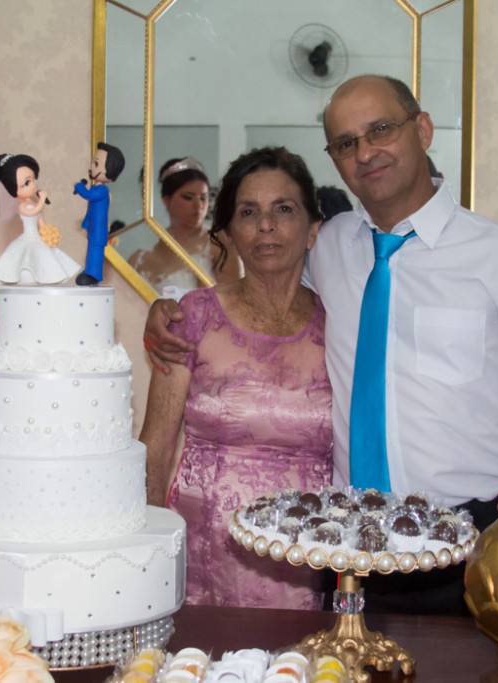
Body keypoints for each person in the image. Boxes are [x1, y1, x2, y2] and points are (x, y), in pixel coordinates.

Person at [145, 75, 498, 615]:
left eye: (381, 130)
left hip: (471, 538)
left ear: (422, 129)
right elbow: (261, 291)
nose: (365, 152)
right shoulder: (332, 247)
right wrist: (165, 309)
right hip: (349, 545)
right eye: (345, 143)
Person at [140, 146, 333, 609]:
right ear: (228, 232)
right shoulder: (193, 317)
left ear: (312, 230)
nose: (266, 225)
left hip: (308, 560)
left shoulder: (341, 325)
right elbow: (156, 448)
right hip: (203, 558)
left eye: (283, 209)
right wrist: (145, 560)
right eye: (248, 212)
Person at [128, 157, 240, 296]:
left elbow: (236, 299)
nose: (198, 205)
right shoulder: (142, 255)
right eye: (188, 197)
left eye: (203, 198)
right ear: (166, 199)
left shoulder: (219, 244)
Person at [0, 153, 80, 285]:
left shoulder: (32, 202)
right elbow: (33, 212)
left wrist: (46, 231)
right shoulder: (23, 206)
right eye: (26, 183)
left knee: (46, 257)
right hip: (28, 237)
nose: (33, 184)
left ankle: (45, 278)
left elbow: (39, 218)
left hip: (38, 237)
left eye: (33, 179)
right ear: (14, 191)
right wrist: (42, 200)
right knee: (28, 258)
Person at [75, 141, 125, 286]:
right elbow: (90, 210)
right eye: (93, 163)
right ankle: (89, 271)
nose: (92, 167)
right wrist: (85, 224)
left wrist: (79, 186)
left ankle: (94, 274)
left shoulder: (102, 191)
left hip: (98, 231)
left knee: (95, 252)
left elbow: (88, 195)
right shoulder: (96, 188)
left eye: (96, 164)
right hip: (93, 229)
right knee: (91, 251)